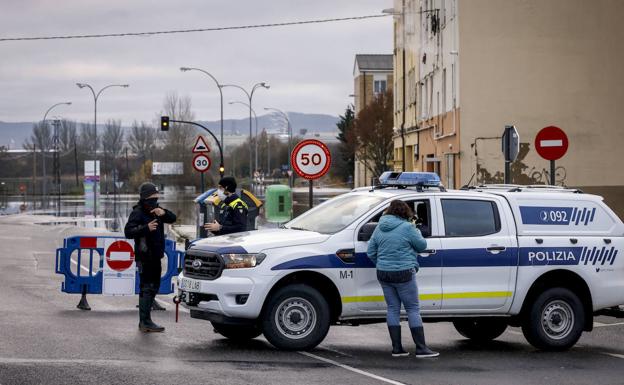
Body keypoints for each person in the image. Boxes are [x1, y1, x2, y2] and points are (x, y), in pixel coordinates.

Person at [367, 199, 439, 358]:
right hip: (403, 272)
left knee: (393, 308)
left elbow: (370, 251)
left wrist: (381, 263)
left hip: (383, 273)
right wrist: (416, 229)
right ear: (405, 212)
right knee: (412, 309)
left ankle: (397, 348)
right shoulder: (408, 227)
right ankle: (421, 348)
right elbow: (422, 246)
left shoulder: (379, 228)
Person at [124, 182, 176, 333]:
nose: (155, 200)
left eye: (156, 197)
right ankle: (145, 321)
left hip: (156, 256)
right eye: (153, 197)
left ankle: (146, 320)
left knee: (154, 286)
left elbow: (173, 218)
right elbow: (128, 232)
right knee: (146, 287)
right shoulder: (138, 212)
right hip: (144, 255)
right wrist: (145, 228)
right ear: (146, 197)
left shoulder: (156, 211)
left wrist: (163, 213)